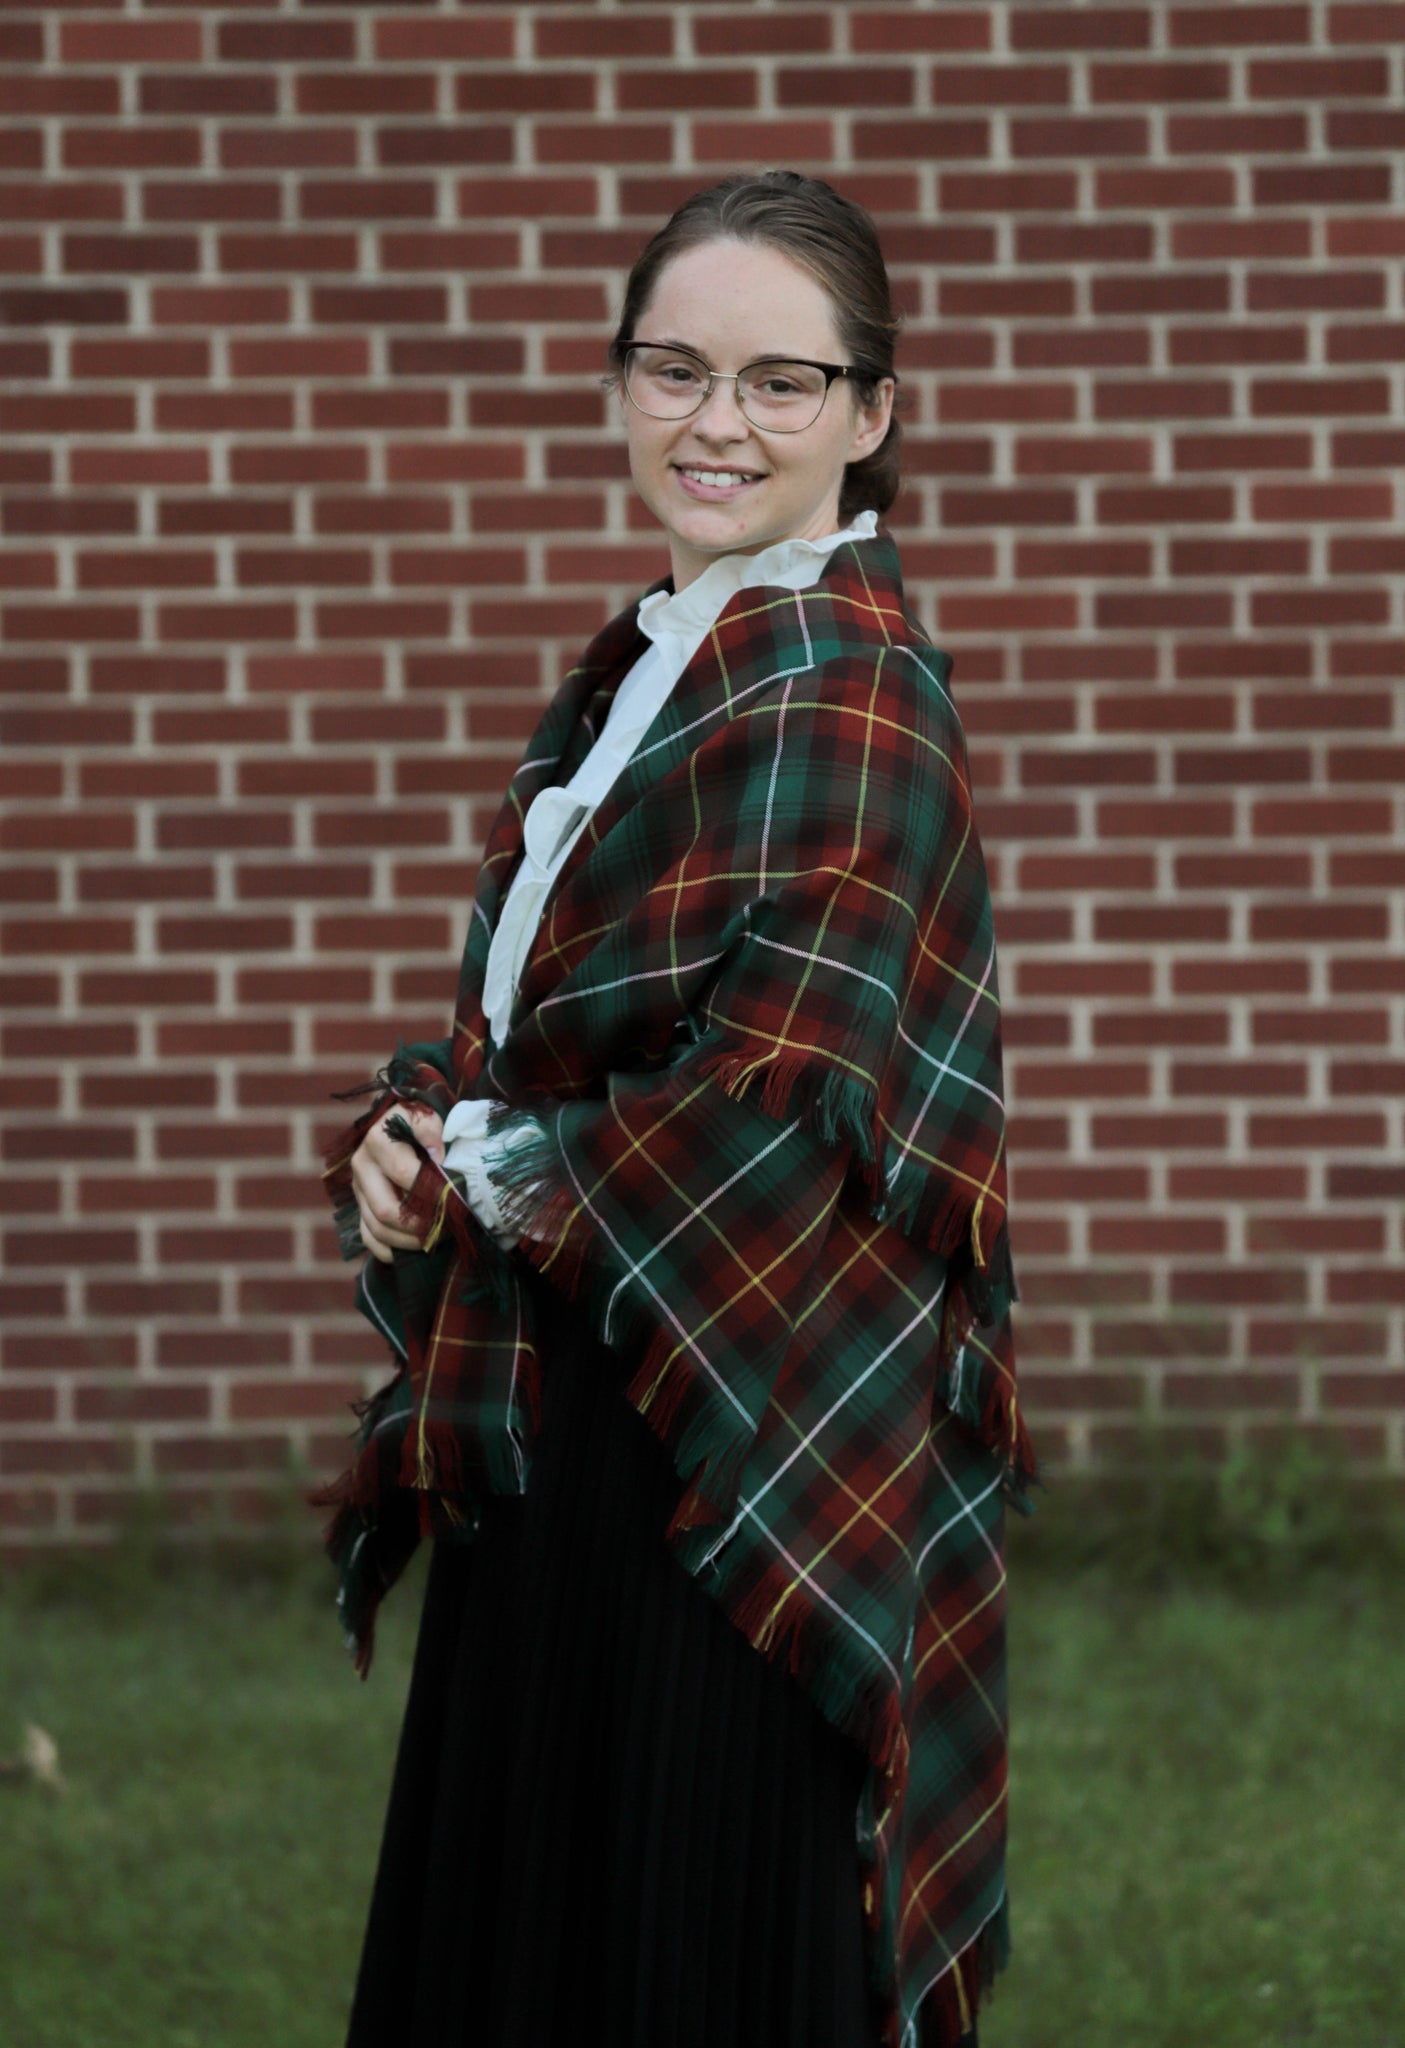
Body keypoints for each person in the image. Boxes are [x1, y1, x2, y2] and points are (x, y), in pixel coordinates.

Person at [313, 169, 1036, 2048]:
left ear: (870, 416)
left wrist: (486, 1162)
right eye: (676, 368)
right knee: (545, 1930)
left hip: (730, 1441)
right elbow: (529, 1029)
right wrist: (411, 1133)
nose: (717, 423)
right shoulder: (653, 653)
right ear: (622, 378)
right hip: (575, 1412)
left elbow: (777, 1125)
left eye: (780, 384)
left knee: (691, 1951)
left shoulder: (855, 696)